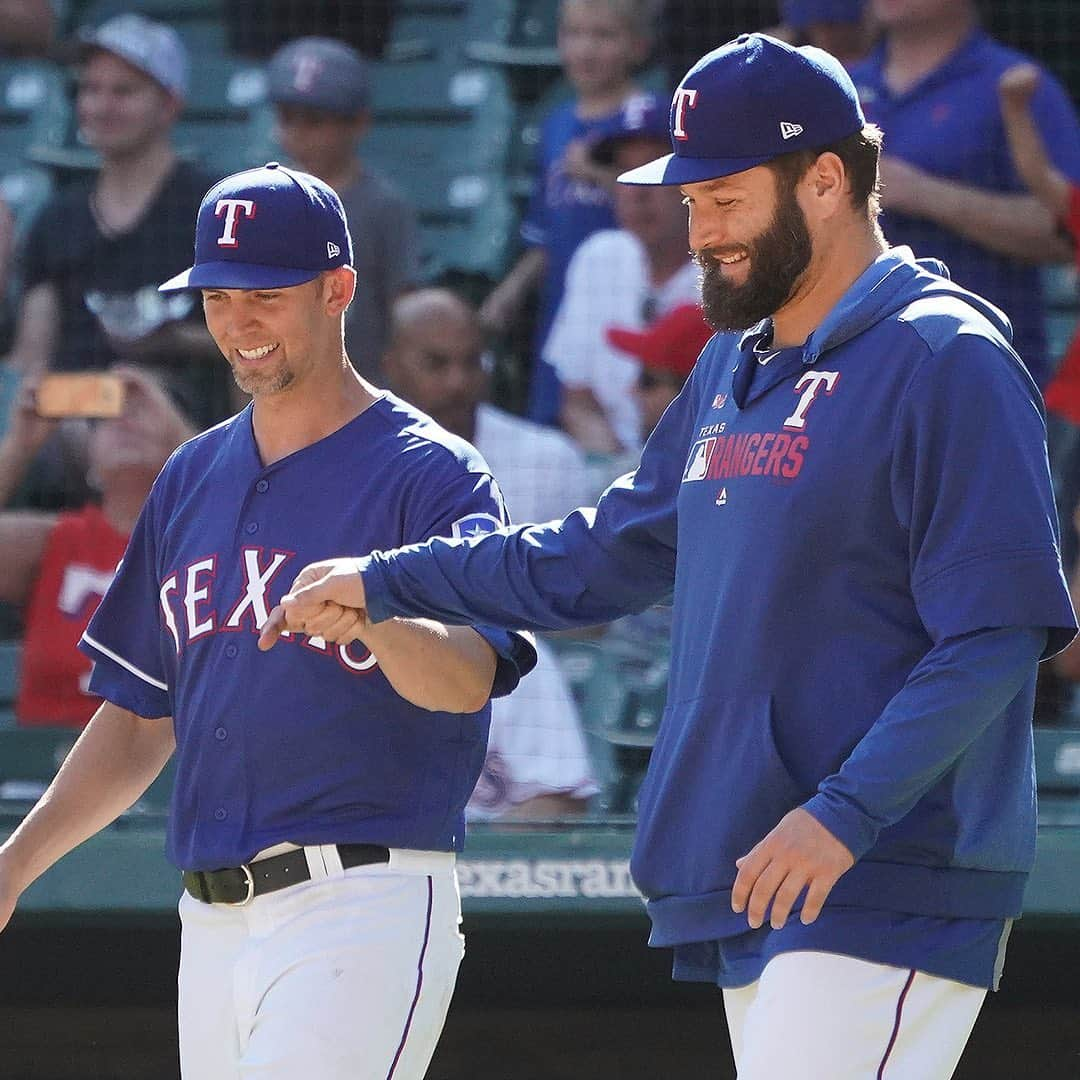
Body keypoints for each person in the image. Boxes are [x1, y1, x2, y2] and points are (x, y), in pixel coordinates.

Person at [260, 35, 1078, 1078]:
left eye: (725, 198)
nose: (701, 232)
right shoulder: (735, 364)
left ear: (825, 180)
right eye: (689, 201)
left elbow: (999, 635)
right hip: (761, 864)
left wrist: (845, 815)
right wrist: (386, 578)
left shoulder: (944, 356)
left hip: (882, 875)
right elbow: (593, 561)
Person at [0, 162, 535, 1078]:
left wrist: (377, 616)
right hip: (209, 917)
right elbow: (137, 719)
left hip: (363, 895)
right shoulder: (190, 476)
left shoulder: (432, 473)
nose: (238, 323)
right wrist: (14, 864)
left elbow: (470, 678)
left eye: (267, 295)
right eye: (217, 296)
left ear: (338, 290)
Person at [383, 288, 597, 821]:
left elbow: (595, 614)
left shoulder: (548, 460)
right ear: (389, 366)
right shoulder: (353, 472)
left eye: (471, 362)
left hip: (511, 684)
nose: (458, 381)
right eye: (436, 364)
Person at [2, 13, 229, 433]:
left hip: (180, 409)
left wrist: (174, 339)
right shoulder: (58, 218)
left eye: (123, 92)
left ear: (170, 104)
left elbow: (259, 339)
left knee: (134, 401)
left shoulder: (213, 208)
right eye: (90, 89)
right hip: (70, 406)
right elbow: (31, 357)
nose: (102, 106)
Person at [850, 0, 1080, 389]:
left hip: (984, 373)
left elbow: (1067, 229)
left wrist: (921, 192)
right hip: (854, 373)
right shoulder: (843, 88)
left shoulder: (1015, 82)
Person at [479, 0, 655, 426]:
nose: (585, 49)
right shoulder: (556, 123)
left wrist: (598, 174)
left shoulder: (650, 117)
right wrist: (509, 293)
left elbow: (665, 214)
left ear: (637, 45)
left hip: (630, 303)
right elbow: (544, 234)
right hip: (561, 310)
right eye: (574, 34)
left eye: (603, 36)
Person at [0, 367, 193, 727]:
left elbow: (263, 504)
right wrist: (19, 446)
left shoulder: (208, 535)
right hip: (46, 766)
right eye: (109, 412)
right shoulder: (59, 540)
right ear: (88, 458)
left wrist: (181, 438)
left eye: (143, 409)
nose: (125, 421)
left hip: (174, 768)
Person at [544, 93, 700, 458]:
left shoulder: (736, 266)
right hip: (614, 468)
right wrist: (622, 471)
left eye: (654, 170)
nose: (637, 192)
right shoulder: (599, 257)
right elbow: (577, 402)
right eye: (624, 172)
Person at [267, 36, 421, 379]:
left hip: (358, 388)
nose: (297, 132)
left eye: (315, 121)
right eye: (287, 118)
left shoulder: (382, 206)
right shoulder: (263, 198)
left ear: (358, 122)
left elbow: (405, 316)